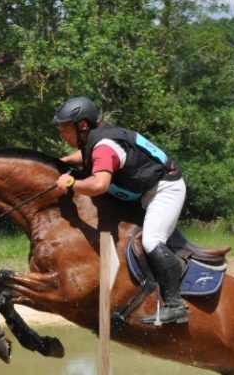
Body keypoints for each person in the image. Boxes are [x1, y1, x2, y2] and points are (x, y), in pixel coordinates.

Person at [52, 96, 189, 325]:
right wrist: (61, 161)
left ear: (82, 125)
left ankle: (176, 306)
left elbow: (99, 185)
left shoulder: (105, 147)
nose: (61, 135)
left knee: (152, 241)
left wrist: (70, 183)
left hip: (165, 189)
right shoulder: (96, 138)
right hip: (145, 189)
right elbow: (86, 157)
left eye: (65, 128)